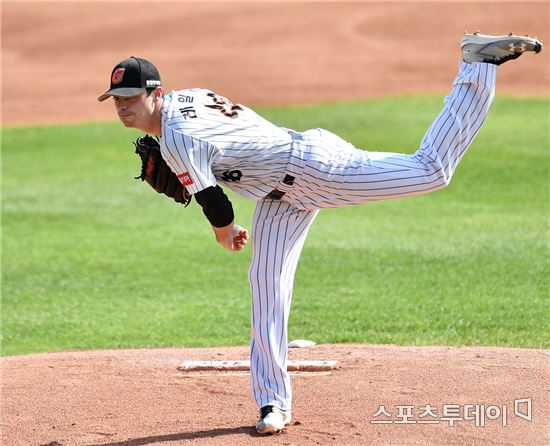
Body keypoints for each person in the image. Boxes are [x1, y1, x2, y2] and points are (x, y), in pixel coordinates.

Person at [98, 31, 542, 434]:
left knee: (431, 170)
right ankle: (273, 401)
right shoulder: (189, 98)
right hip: (278, 194)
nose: (122, 106)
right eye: (116, 99)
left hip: (315, 170)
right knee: (266, 285)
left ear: (156, 93)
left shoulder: (177, 138)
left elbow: (217, 206)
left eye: (130, 97)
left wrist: (225, 232)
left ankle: (476, 66)